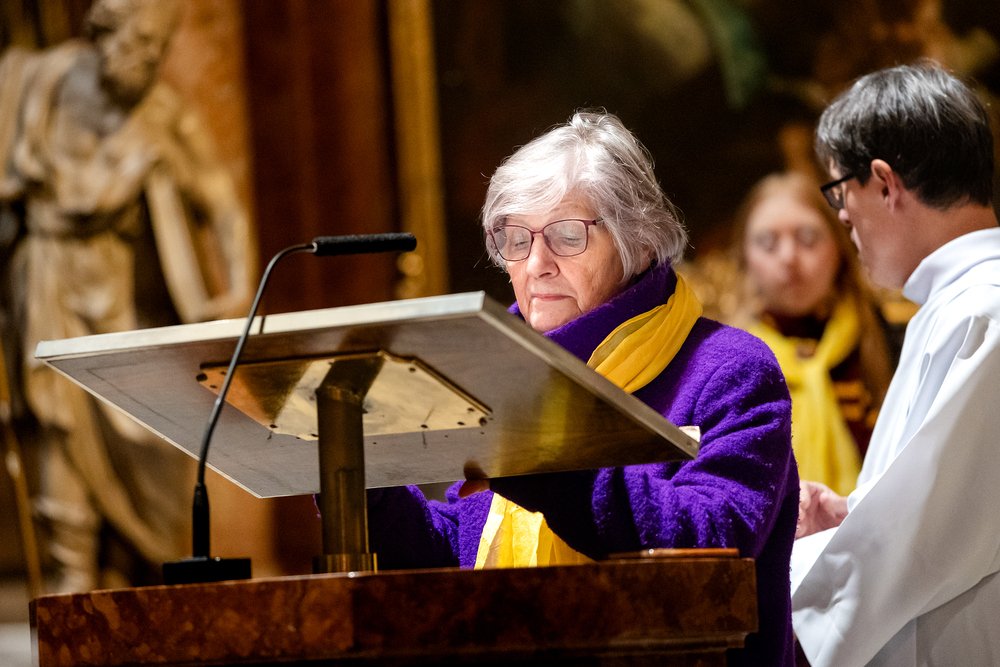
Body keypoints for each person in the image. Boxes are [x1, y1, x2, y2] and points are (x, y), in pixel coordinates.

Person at [367, 111, 799, 666]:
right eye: (516, 239)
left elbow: (711, 541)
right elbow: (467, 553)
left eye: (567, 236)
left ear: (639, 241)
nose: (536, 265)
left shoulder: (730, 371)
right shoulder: (501, 374)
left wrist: (542, 461)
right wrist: (358, 483)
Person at [0, 0, 253, 591]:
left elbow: (223, 204)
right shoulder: (41, 80)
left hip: (123, 303)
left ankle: (131, 566)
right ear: (103, 32)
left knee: (145, 441)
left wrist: (241, 285)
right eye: (136, 43)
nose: (144, 62)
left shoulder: (163, 114)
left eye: (156, 52)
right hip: (48, 276)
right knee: (60, 426)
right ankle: (71, 577)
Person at [791, 61, 1000, 666]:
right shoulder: (957, 306)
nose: (842, 216)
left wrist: (778, 575)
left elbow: (929, 536)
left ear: (884, 183)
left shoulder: (981, 311)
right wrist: (854, 515)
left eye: (839, 191)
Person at [736, 172, 893, 497]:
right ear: (745, 258)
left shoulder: (888, 341)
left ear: (840, 246)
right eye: (767, 243)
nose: (788, 258)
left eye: (808, 238)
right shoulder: (729, 362)